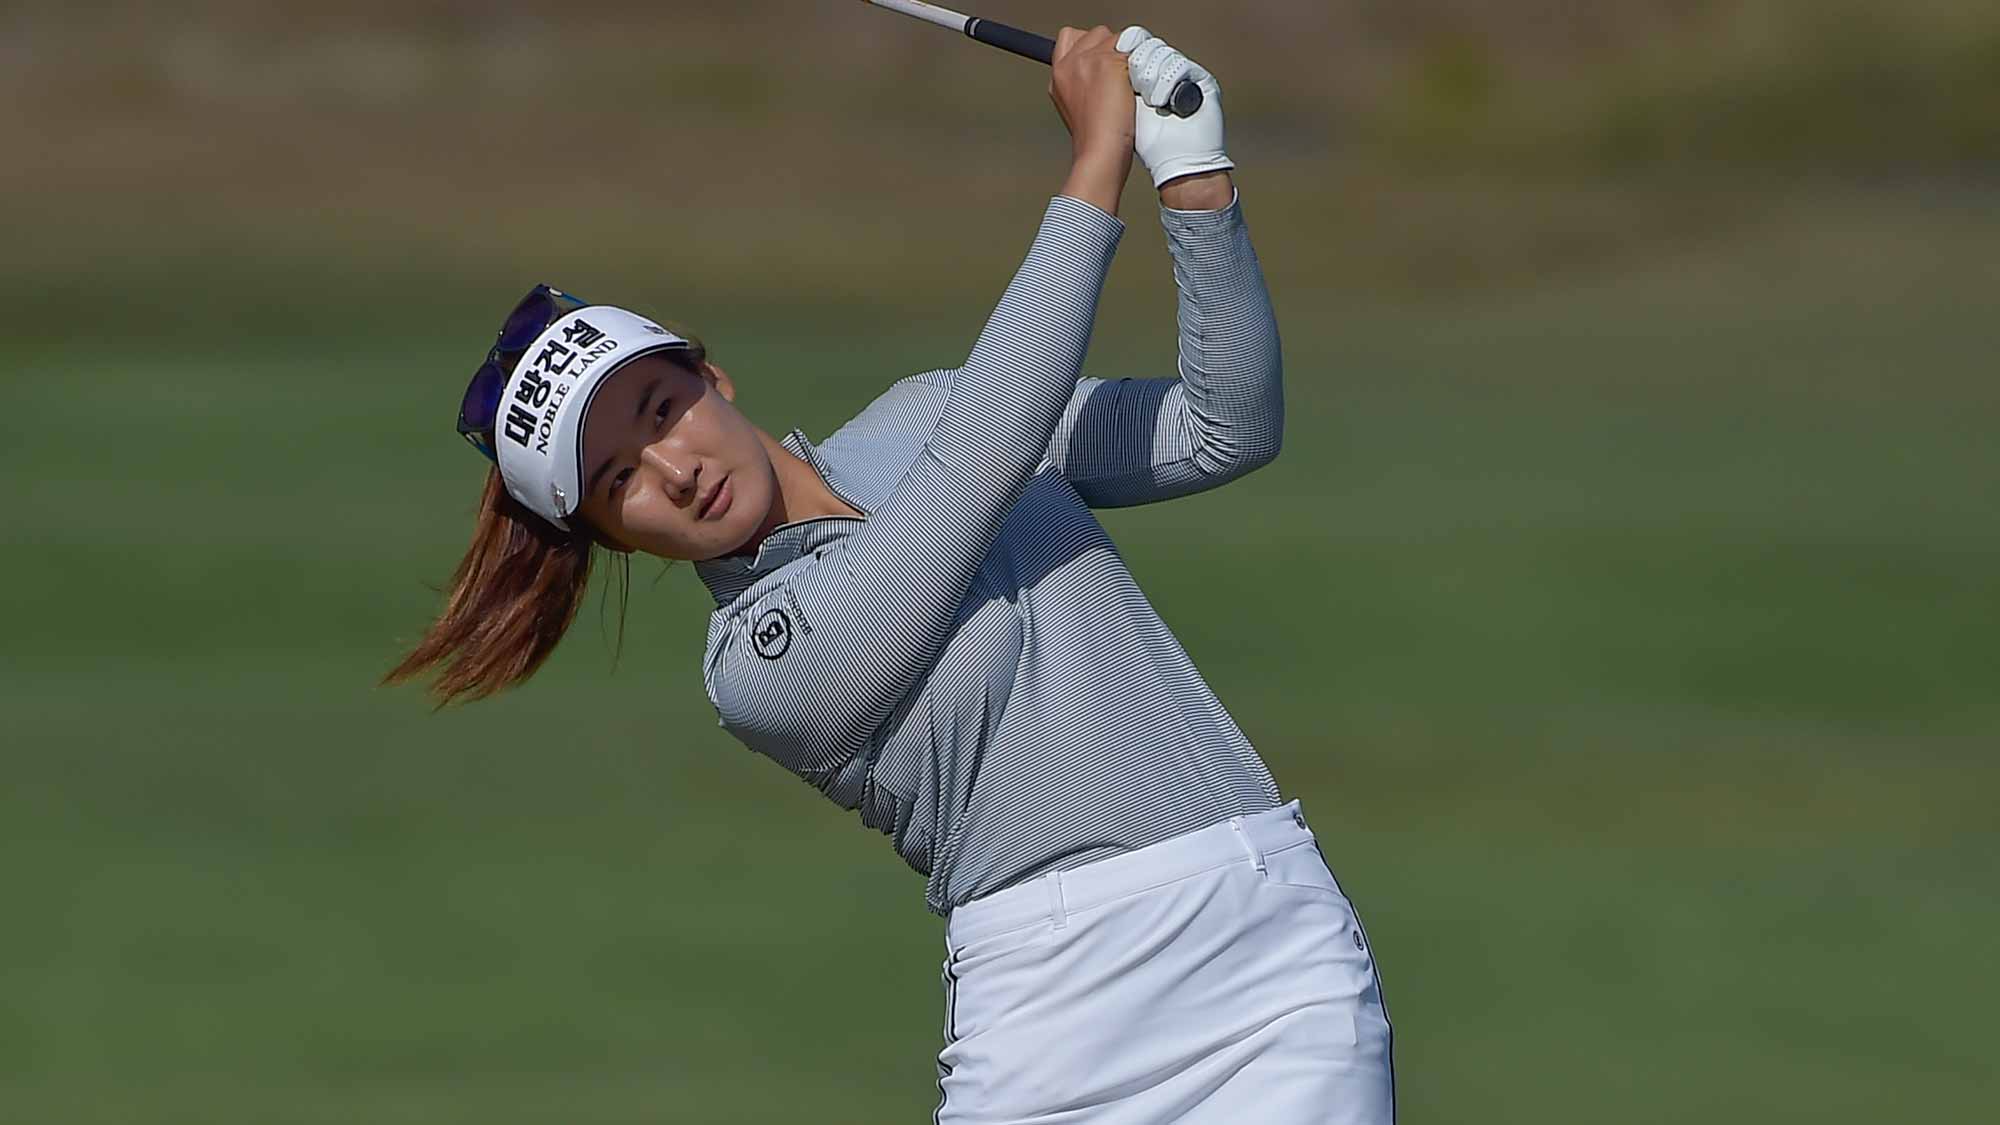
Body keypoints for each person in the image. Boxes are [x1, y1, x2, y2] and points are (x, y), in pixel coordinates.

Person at [389, 24, 1393, 1124]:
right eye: (617, 479)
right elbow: (976, 469)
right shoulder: (761, 672)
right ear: (611, 537)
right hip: (1050, 1027)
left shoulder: (921, 410)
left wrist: (1193, 181)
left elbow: (1221, 428)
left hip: (1263, 955)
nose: (672, 472)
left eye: (660, 410)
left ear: (710, 374)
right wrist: (1095, 161)